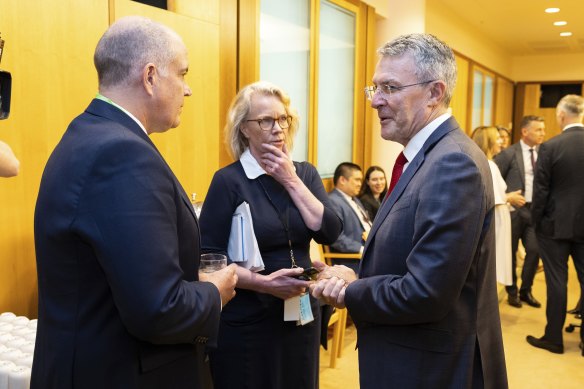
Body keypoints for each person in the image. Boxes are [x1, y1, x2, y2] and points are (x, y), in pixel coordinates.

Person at [32, 16, 237, 389]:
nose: (188, 90)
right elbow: (158, 310)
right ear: (150, 76)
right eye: (183, 74)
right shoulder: (121, 153)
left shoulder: (87, 132)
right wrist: (214, 292)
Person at [310, 33, 508, 388]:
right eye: (374, 88)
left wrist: (350, 289)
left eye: (390, 87)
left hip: (428, 368)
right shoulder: (427, 157)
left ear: (434, 92)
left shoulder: (452, 164)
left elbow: (426, 294)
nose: (376, 101)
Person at [198, 81, 342, 389]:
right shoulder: (228, 181)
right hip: (248, 318)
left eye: (283, 119)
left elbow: (330, 231)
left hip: (300, 312)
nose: (278, 128)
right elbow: (209, 260)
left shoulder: (305, 174)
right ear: (244, 128)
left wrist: (290, 180)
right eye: (266, 120)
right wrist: (265, 284)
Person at [527, 94, 584, 356]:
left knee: (557, 281)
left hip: (554, 226)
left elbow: (541, 191)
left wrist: (535, 222)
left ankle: (553, 338)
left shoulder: (550, 147)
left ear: (561, 115)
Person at [494, 115, 545, 308]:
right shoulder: (509, 153)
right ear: (525, 131)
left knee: (534, 251)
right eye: (538, 129)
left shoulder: (545, 152)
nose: (542, 133)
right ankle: (512, 291)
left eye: (543, 129)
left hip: (534, 211)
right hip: (514, 210)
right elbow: (495, 179)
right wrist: (507, 197)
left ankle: (526, 290)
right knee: (511, 252)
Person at [472, 126, 521, 286]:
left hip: (499, 215)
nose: (501, 141)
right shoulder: (488, 165)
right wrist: (510, 197)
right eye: (497, 138)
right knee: (492, 264)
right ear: (489, 141)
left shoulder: (487, 163)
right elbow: (491, 197)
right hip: (496, 219)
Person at [329, 162, 372, 254]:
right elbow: (336, 238)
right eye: (357, 180)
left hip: (370, 249)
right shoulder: (333, 202)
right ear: (342, 180)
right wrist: (362, 249)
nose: (360, 184)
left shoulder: (355, 199)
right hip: (353, 258)